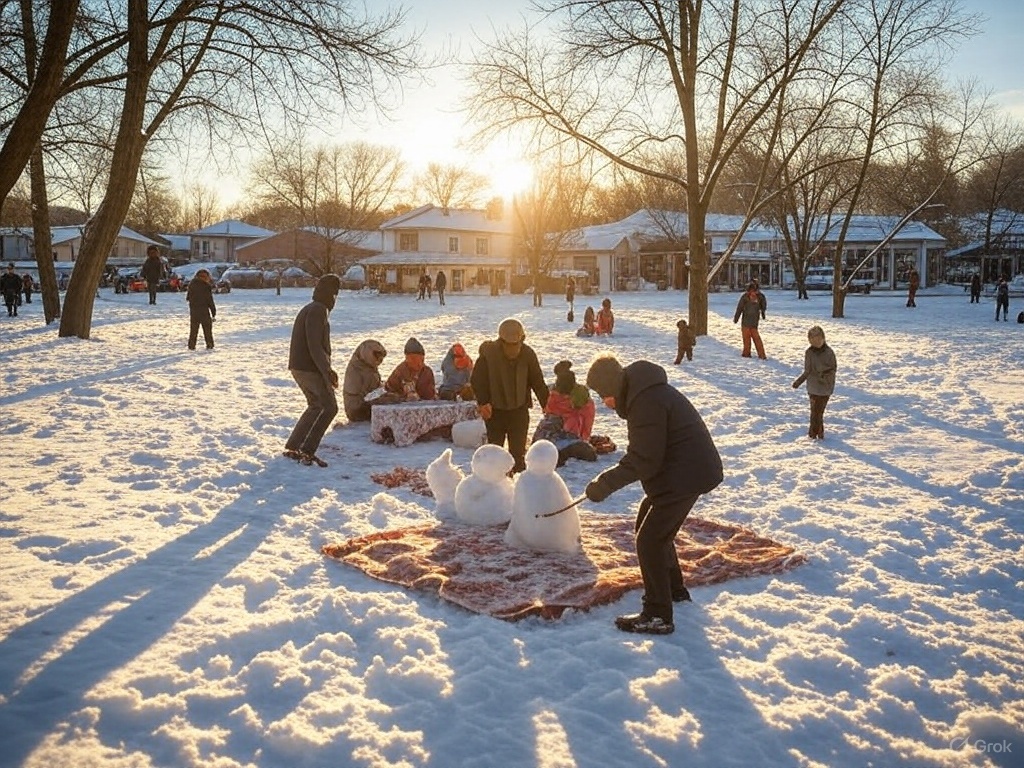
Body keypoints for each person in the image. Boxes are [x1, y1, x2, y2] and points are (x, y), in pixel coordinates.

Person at [584, 354, 723, 635]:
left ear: (613, 388)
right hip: (684, 470)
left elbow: (644, 459)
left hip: (688, 473)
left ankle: (658, 614)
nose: (605, 403)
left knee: (650, 540)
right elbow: (650, 455)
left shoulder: (646, 402)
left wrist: (604, 484)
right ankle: (673, 590)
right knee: (650, 524)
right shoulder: (644, 393)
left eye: (604, 395)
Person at [471, 317, 549, 473]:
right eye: (508, 344)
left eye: (516, 344)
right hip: (495, 412)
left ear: (522, 339)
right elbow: (477, 380)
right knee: (494, 454)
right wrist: (483, 402)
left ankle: (519, 488)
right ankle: (494, 487)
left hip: (519, 411)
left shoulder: (528, 354)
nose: (513, 348)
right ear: (501, 341)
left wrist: (547, 404)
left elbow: (537, 381)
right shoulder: (488, 354)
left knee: (517, 454)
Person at [284, 274, 341, 467]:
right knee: (329, 407)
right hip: (310, 368)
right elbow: (315, 345)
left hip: (299, 367)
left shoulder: (312, 308)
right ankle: (307, 450)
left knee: (315, 406)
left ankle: (294, 447)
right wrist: (327, 371)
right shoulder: (318, 310)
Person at [532, 360, 597, 466]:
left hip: (562, 433)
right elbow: (587, 420)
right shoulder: (556, 395)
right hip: (562, 432)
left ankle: (557, 455)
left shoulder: (558, 394)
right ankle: (558, 454)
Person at [791, 325, 836, 440]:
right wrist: (799, 381)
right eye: (813, 340)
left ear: (823, 338)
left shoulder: (829, 353)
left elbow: (833, 369)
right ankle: (813, 435)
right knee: (814, 411)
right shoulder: (809, 353)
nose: (816, 342)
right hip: (812, 387)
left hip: (825, 387)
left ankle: (818, 434)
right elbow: (807, 370)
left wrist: (823, 375)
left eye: (818, 339)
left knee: (819, 412)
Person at [342, 339, 393, 421]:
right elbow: (369, 396)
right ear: (368, 353)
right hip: (357, 409)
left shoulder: (366, 366)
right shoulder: (358, 370)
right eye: (377, 358)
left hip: (363, 403)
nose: (379, 362)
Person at [733, 281, 767, 359]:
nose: (753, 294)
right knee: (747, 339)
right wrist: (736, 318)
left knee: (756, 339)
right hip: (747, 321)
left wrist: (763, 313)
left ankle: (761, 354)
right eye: (751, 292)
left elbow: (763, 307)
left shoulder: (760, 297)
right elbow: (740, 308)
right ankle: (747, 353)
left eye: (754, 292)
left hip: (753, 322)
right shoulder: (745, 297)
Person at [185, 268, 217, 350]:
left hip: (194, 311)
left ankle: (191, 345)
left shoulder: (192, 284)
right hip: (204, 311)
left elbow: (188, 297)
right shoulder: (206, 286)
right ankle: (209, 344)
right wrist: (213, 311)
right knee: (207, 330)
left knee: (193, 330)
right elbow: (209, 300)